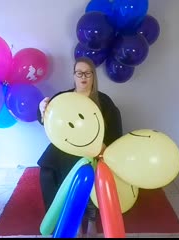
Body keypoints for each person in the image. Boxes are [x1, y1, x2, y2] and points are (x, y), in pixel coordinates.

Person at [37, 57, 123, 237]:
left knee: (88, 170)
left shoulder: (104, 101)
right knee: (48, 169)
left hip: (92, 151)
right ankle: (69, 219)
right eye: (79, 73)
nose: (83, 77)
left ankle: (91, 219)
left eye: (88, 73)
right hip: (66, 149)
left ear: (93, 76)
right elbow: (44, 120)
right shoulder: (63, 98)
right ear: (74, 76)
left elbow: (115, 129)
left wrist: (104, 148)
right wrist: (41, 108)